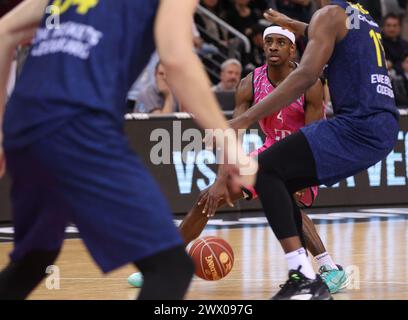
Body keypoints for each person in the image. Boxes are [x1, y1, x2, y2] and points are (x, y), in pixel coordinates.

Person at [0, 0, 256, 300]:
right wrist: (230, 145)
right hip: (79, 121)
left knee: (33, 260)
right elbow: (175, 59)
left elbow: (5, 31)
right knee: (170, 267)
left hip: (24, 121)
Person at [128, 26, 349, 295]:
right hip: (270, 152)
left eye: (281, 42)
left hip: (304, 151)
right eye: (269, 41)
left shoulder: (311, 83)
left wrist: (306, 173)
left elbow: (314, 133)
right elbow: (234, 134)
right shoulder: (249, 82)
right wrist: (223, 178)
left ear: (293, 49)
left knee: (287, 200)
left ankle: (328, 267)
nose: (273, 47)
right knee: (207, 199)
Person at [224, 0, 399, 300]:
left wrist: (244, 118)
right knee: (278, 182)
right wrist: (295, 24)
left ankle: (303, 276)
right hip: (380, 123)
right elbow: (329, 35)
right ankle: (314, 275)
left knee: (263, 171)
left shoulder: (328, 15)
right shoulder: (359, 14)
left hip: (358, 125)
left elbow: (305, 75)